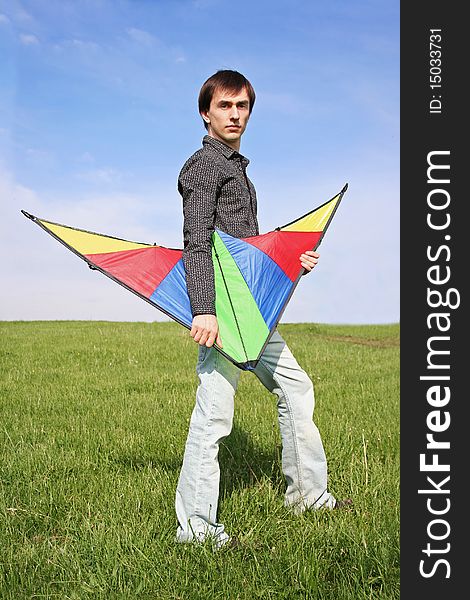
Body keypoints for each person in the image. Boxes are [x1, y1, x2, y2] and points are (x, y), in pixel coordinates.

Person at [175, 69, 350, 548]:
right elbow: (196, 245)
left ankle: (308, 496)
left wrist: (293, 262)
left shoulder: (237, 169)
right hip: (223, 316)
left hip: (253, 314)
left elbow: (247, 250)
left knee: (295, 388)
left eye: (243, 106)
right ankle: (195, 527)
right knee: (213, 415)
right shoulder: (203, 168)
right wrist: (204, 310)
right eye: (225, 106)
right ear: (205, 113)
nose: (235, 115)